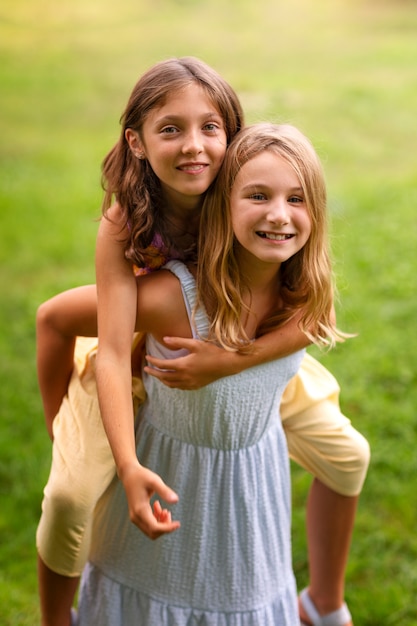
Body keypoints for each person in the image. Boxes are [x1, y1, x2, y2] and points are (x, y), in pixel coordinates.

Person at [35, 58, 369, 626]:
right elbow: (85, 333)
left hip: (241, 345)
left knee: (348, 455)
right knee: (70, 499)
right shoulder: (127, 221)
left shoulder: (251, 192)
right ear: (136, 143)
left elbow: (317, 308)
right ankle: (56, 617)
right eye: (171, 129)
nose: (194, 147)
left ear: (232, 137)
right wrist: (62, 424)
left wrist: (232, 361)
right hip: (149, 349)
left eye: (210, 127)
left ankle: (323, 603)